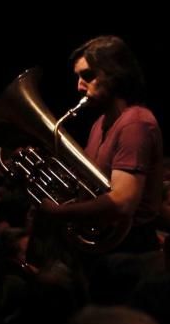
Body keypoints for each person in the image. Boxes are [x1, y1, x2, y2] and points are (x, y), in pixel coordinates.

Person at [39, 35, 163, 254]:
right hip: (110, 249)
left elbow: (122, 202)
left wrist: (60, 212)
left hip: (131, 251)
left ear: (116, 74)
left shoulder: (135, 122)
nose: (79, 86)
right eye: (78, 77)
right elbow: (88, 187)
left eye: (88, 76)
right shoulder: (99, 125)